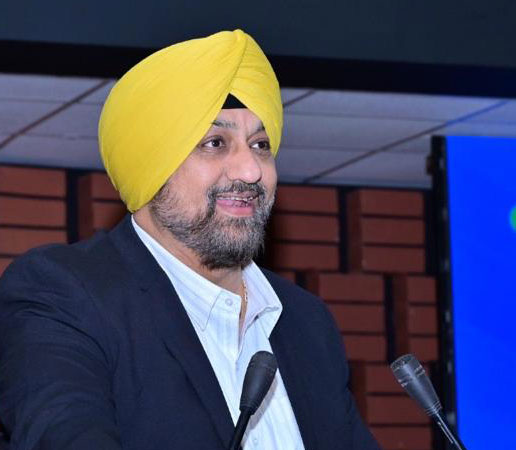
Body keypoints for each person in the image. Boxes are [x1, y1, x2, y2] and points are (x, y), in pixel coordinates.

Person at [0, 30, 380, 450]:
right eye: (215, 143)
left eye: (261, 145)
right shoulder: (63, 293)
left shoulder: (306, 321)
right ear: (151, 163)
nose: (251, 170)